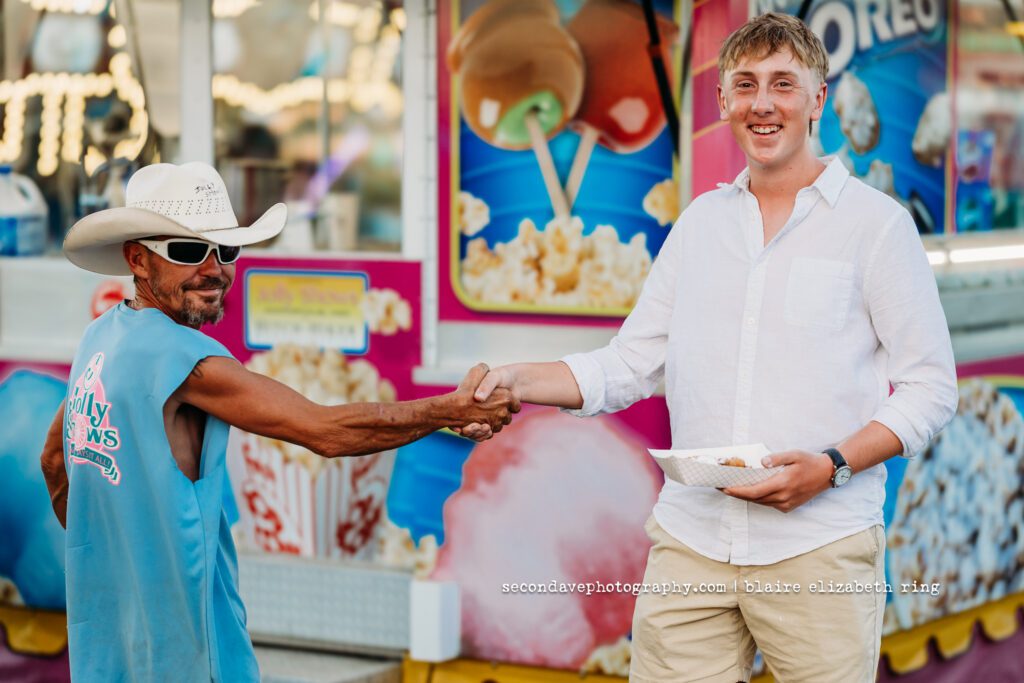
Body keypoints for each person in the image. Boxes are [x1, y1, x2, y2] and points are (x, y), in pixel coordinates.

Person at [461, 12, 957, 683]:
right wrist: (516, 380)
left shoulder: (877, 226)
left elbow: (932, 388)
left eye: (783, 84)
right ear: (723, 101)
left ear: (818, 98)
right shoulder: (700, 224)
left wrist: (832, 466)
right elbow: (629, 364)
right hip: (691, 541)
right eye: (745, 85)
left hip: (819, 546)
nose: (762, 103)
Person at [39, 161, 519, 682]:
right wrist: (451, 409)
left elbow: (54, 462)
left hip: (107, 652)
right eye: (187, 252)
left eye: (226, 250)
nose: (214, 269)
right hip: (187, 652)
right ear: (137, 258)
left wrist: (117, 557)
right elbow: (327, 431)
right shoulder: (183, 358)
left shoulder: (100, 339)